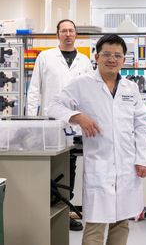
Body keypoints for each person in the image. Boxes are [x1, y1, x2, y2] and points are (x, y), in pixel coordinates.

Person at [48, 34, 146, 245]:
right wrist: (78, 117)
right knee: (95, 225)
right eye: (106, 54)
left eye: (117, 55)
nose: (112, 59)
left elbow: (141, 127)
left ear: (123, 60)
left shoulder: (130, 88)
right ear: (96, 56)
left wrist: (143, 158)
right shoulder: (82, 83)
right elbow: (54, 106)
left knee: (122, 222)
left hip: (127, 165)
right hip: (99, 165)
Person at [27, 19, 93, 231]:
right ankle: (43, 209)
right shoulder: (45, 57)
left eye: (71, 31)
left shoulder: (84, 61)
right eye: (63, 31)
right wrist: (32, 120)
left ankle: (65, 211)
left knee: (70, 167)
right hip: (50, 123)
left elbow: (90, 93)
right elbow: (34, 89)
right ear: (57, 35)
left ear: (76, 35)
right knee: (48, 166)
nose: (67, 34)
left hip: (75, 124)